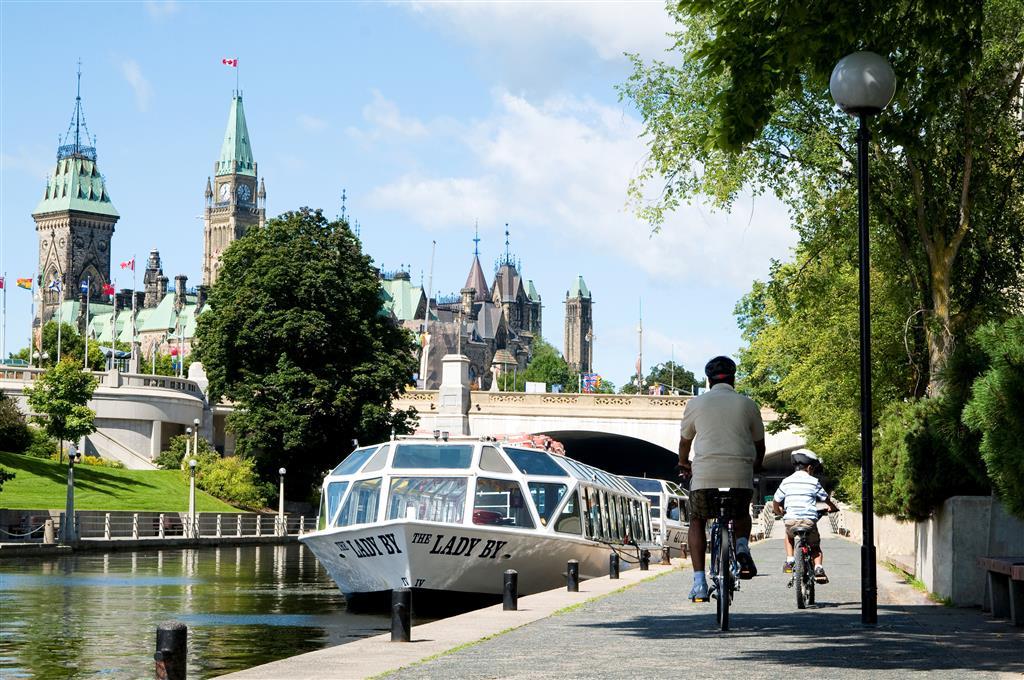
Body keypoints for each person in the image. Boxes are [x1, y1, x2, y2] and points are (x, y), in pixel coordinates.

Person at [678, 355, 766, 602]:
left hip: (705, 475)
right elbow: (760, 446)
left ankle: (698, 583)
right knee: (741, 513)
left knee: (697, 520)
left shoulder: (696, 404)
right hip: (739, 474)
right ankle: (741, 546)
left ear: (708, 380)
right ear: (733, 378)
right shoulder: (748, 404)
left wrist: (683, 463)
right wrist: (756, 466)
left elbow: (685, 442)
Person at [772, 450, 838, 583]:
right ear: (809, 468)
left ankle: (790, 560)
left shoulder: (786, 481)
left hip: (791, 520)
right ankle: (818, 568)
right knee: (815, 545)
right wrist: (832, 507)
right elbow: (825, 498)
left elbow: (776, 500)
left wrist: (778, 511)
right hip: (809, 521)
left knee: (789, 535)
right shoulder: (814, 481)